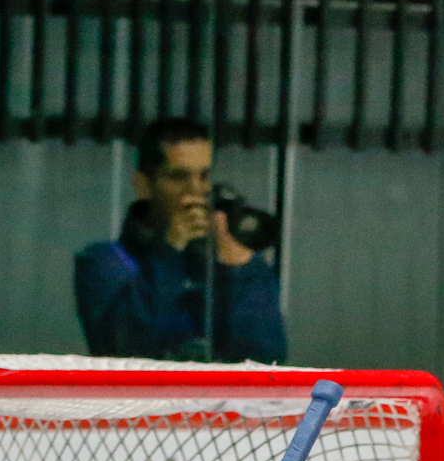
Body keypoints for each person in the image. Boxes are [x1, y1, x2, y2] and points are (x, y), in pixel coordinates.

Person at [74, 117, 287, 363]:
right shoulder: (104, 262)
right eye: (178, 177)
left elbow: (266, 360)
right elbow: (122, 346)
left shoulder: (232, 261)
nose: (195, 190)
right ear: (143, 185)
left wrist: (238, 271)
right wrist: (169, 252)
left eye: (204, 176)